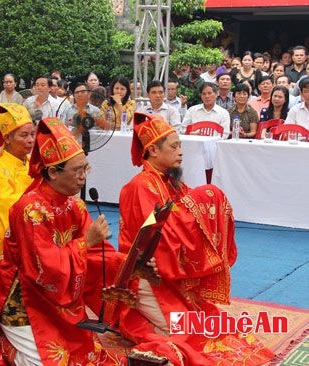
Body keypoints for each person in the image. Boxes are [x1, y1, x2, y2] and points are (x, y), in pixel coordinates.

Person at [117, 113, 273, 365]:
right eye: (174, 146)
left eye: (181, 146)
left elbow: (188, 211)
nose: (181, 152)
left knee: (210, 324)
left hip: (168, 273)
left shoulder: (168, 181)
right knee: (183, 335)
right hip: (145, 275)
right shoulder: (141, 186)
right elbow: (163, 234)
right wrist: (205, 199)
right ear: (153, 150)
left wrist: (209, 199)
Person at [0, 117, 125, 365]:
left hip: (60, 300)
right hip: (25, 300)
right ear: (52, 171)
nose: (83, 177)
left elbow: (98, 255)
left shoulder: (74, 204)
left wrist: (129, 264)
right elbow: (43, 270)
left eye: (86, 168)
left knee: (86, 358)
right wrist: (85, 242)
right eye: (77, 170)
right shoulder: (30, 210)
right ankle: (5, 345)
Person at [0, 103, 35, 276]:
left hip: (36, 225)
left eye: (32, 134)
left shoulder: (32, 163)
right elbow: (3, 210)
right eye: (24, 135)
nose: (31, 140)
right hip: (14, 232)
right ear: (8, 138)